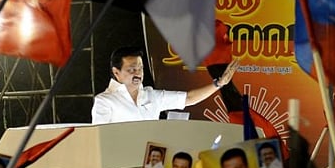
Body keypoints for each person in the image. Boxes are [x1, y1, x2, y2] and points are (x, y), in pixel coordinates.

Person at [91, 46, 240, 124]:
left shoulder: (151, 95)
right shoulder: (104, 101)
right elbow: (98, 140)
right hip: (121, 167)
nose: (138, 73)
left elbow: (188, 98)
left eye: (140, 68)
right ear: (116, 72)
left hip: (152, 165)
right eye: (131, 70)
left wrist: (218, 84)